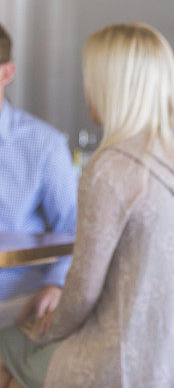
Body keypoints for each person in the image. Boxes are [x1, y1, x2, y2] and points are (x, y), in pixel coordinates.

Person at [0, 23, 174, 388]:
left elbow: (82, 290)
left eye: (91, 79)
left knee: (8, 343)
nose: (87, 91)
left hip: (118, 363)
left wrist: (45, 333)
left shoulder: (109, 168)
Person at [0, 24, 76, 331]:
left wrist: (55, 284)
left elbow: (74, 226)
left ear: (6, 73)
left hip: (12, 308)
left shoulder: (44, 145)